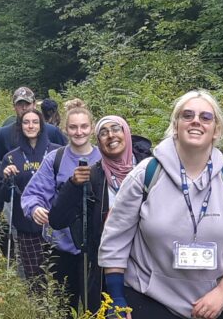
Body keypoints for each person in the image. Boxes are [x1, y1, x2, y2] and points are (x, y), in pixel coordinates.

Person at [98, 90, 223, 319]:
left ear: (216, 130)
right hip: (148, 302)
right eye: (187, 115)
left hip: (211, 307)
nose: (196, 121)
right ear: (175, 126)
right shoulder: (146, 174)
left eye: (206, 117)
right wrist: (116, 299)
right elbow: (115, 238)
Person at [49, 115, 152, 313]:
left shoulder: (151, 170)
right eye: (103, 133)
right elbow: (57, 220)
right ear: (98, 142)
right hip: (105, 272)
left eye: (116, 129)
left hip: (148, 268)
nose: (110, 135)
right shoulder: (93, 176)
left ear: (126, 133)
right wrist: (72, 186)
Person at [22, 100, 101, 314]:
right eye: (73, 127)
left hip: (97, 251)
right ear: (65, 129)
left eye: (84, 126)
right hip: (61, 247)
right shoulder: (55, 159)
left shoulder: (103, 158)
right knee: (64, 307)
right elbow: (33, 193)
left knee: (97, 308)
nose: (79, 132)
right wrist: (35, 208)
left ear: (91, 128)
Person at [0, 109, 60, 278]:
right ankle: (37, 304)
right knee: (33, 275)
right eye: (26, 122)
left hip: (56, 223)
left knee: (58, 276)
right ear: (20, 126)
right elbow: (3, 196)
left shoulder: (58, 153)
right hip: (26, 224)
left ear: (42, 126)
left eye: (35, 122)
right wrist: (6, 177)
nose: (30, 126)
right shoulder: (11, 158)